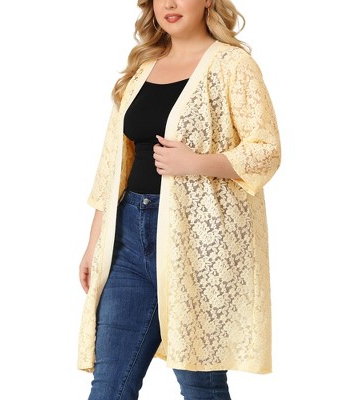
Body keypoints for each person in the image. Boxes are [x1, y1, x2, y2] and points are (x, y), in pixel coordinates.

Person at [78, 0, 281, 399]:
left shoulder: (233, 65)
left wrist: (197, 163)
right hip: (128, 239)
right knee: (109, 386)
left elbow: (266, 150)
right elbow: (112, 167)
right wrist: (93, 244)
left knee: (200, 383)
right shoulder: (142, 68)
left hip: (198, 244)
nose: (169, 3)